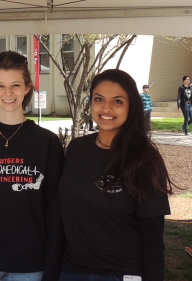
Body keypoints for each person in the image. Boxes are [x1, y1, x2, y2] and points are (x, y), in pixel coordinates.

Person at [58, 69, 174, 281]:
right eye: (99, 99)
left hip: (122, 273)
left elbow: (153, 238)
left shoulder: (145, 158)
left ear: (131, 106)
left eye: (118, 101)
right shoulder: (76, 149)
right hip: (71, 271)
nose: (106, 108)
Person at [0, 51, 64, 281]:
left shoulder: (47, 143)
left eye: (15, 85)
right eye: (1, 86)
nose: (8, 93)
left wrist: (52, 266)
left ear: (27, 88)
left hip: (28, 265)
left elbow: (55, 212)